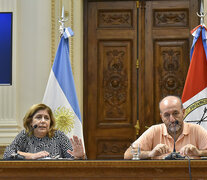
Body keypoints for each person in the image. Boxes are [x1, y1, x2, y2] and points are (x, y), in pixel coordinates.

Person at [124, 95, 207, 159]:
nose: (172, 119)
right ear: (161, 117)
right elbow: (127, 154)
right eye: (166, 115)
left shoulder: (196, 130)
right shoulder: (154, 130)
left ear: (183, 112)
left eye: (175, 113)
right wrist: (150, 153)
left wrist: (199, 153)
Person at [3, 103, 86, 160]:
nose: (43, 121)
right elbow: (7, 153)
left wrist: (79, 157)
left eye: (46, 118)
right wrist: (33, 156)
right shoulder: (25, 135)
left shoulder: (58, 135)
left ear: (50, 122)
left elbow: (73, 159)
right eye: (39, 117)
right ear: (30, 122)